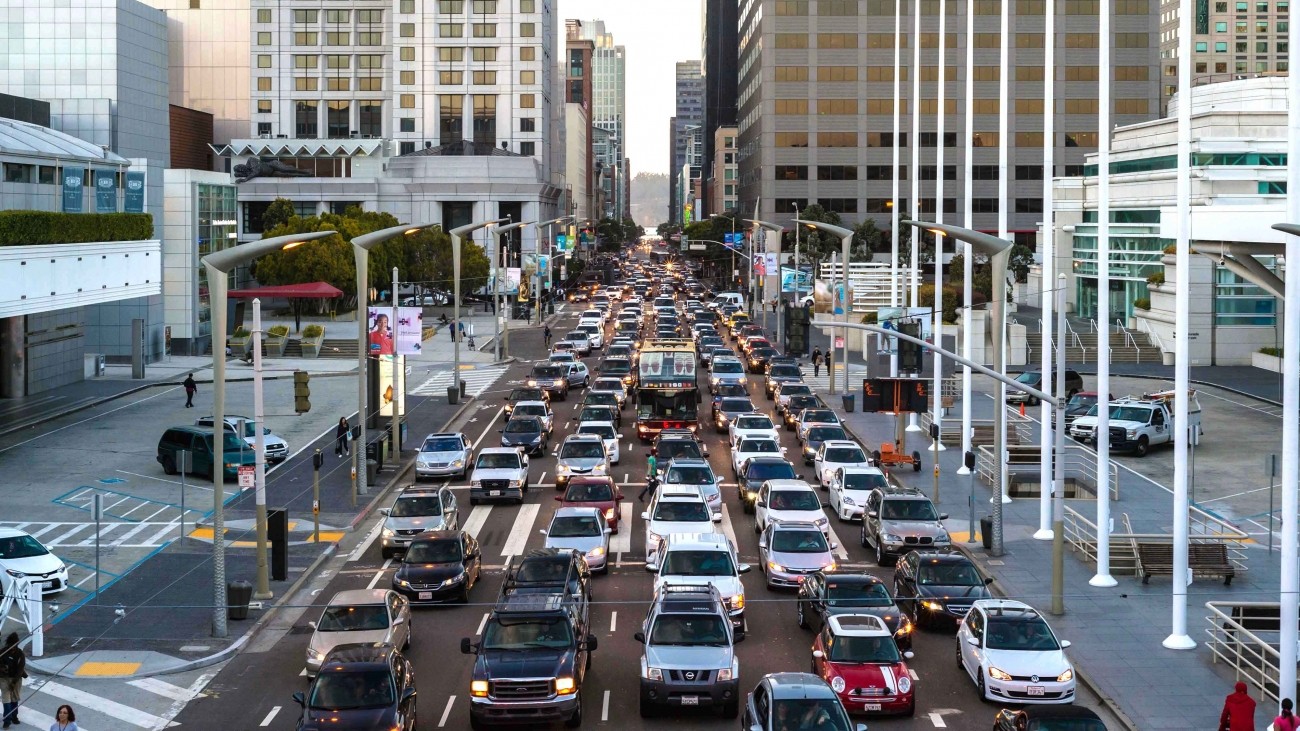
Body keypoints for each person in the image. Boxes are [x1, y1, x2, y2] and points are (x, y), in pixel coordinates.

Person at [1, 631, 26, 729]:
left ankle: (14, 716)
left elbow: (20, 669)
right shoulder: (2, 652)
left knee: (14, 698)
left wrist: (14, 682)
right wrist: (2, 668)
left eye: (15, 645)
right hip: (3, 678)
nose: (13, 647)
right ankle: (7, 720)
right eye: (11, 645)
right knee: (6, 699)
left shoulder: (20, 654)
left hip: (16, 678)